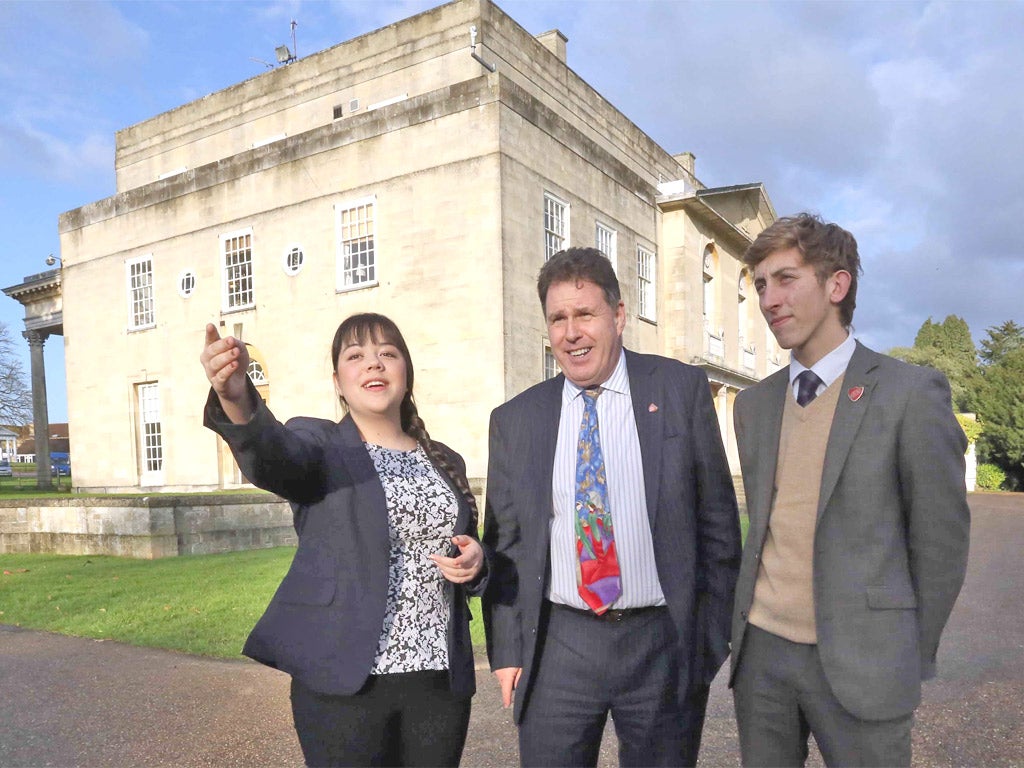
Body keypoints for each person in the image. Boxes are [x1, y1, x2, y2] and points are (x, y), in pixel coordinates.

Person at [482, 247, 741, 767]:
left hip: (660, 643)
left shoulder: (678, 390)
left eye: (585, 314)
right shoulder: (516, 420)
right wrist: (508, 650)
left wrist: (705, 647)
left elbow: (719, 529)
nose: (571, 332)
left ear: (619, 316)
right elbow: (506, 543)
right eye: (558, 318)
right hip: (559, 644)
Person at [729, 213, 971, 766]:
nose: (769, 299)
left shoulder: (910, 393)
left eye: (786, 279)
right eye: (761, 284)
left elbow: (941, 542)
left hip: (866, 662)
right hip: (762, 656)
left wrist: (906, 651)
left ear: (836, 284)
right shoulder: (754, 405)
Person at [199, 313, 487, 768]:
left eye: (387, 354)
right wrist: (236, 396)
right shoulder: (319, 444)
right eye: (356, 356)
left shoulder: (444, 459)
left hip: (438, 680)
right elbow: (275, 456)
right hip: (345, 681)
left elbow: (469, 546)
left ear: (406, 372)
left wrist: (476, 561)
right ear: (338, 380)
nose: (374, 364)